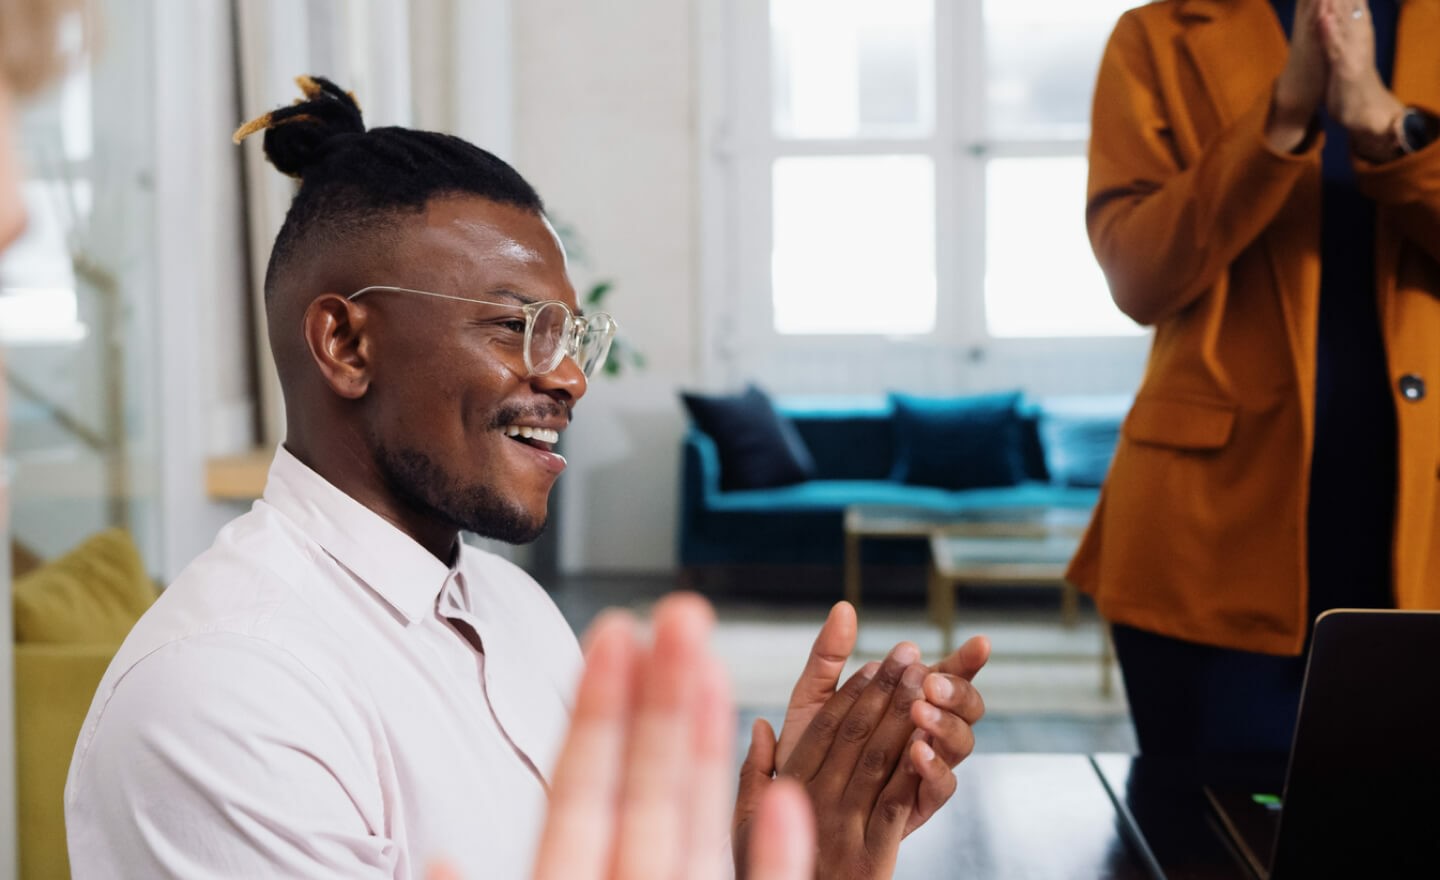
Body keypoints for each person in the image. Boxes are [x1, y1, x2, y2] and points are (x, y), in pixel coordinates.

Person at [63, 75, 990, 877]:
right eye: (516, 327)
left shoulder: (517, 613)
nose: (571, 376)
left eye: (572, 334)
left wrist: (766, 855)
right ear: (345, 343)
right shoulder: (223, 696)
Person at [1070, 0, 1440, 757]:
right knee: (1209, 849)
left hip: (1423, 537)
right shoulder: (1158, 34)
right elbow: (1138, 277)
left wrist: (1383, 123)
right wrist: (1281, 116)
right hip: (1205, 549)